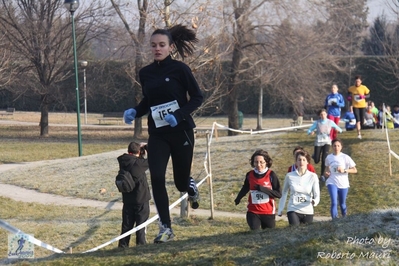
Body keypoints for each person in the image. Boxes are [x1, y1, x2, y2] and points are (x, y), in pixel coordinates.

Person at [123, 25, 203, 243]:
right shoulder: (145, 73)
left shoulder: (180, 69)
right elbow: (149, 101)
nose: (157, 49)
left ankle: (190, 186)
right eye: (153, 45)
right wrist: (136, 111)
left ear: (170, 47)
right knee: (157, 177)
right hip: (158, 134)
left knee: (180, 183)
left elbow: (197, 97)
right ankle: (165, 228)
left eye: (161, 45)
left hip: (181, 131)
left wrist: (178, 115)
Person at [234, 149, 282, 230]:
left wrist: (263, 189)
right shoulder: (249, 175)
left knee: (268, 234)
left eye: (261, 162)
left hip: (268, 212)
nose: (258, 165)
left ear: (266, 162)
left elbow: (279, 194)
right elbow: (245, 187)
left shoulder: (271, 175)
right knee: (255, 232)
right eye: (256, 162)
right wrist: (238, 198)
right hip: (253, 211)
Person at [117, 142, 151, 247]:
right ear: (138, 151)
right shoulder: (139, 164)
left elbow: (135, 159)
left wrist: (139, 151)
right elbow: (153, 159)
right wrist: (146, 147)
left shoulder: (123, 161)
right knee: (141, 226)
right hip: (141, 200)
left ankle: (123, 246)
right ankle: (140, 246)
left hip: (127, 200)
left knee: (126, 226)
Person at [278, 150, 320, 226]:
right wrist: (280, 209)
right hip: (293, 208)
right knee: (295, 230)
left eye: (304, 160)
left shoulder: (313, 176)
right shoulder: (289, 176)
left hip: (307, 210)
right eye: (299, 160)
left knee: (306, 234)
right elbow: (284, 192)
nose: (301, 162)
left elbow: (317, 194)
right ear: (296, 162)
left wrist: (315, 201)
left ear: (307, 162)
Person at [324, 139, 357, 219]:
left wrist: (344, 170)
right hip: (332, 182)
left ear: (341, 147)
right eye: (334, 146)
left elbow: (355, 170)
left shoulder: (345, 157)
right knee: (334, 202)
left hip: (343, 183)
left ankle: (344, 219)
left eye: (338, 146)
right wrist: (326, 173)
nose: (336, 147)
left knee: (342, 204)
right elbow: (327, 169)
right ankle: (334, 220)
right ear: (332, 147)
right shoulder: (329, 157)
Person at [307, 108, 343, 181]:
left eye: (324, 114)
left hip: (327, 142)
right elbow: (309, 130)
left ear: (326, 114)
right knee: (317, 160)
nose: (323, 116)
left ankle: (322, 176)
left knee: (324, 159)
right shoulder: (317, 122)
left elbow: (340, 129)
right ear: (320, 115)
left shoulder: (330, 122)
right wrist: (311, 132)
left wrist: (338, 130)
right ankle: (315, 156)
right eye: (321, 114)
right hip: (318, 142)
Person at [347, 75, 370, 139]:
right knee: (358, 120)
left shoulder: (364, 88)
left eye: (358, 81)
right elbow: (348, 93)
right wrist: (349, 97)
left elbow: (368, 95)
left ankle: (361, 127)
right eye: (356, 81)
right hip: (355, 106)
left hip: (362, 106)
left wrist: (364, 96)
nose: (357, 82)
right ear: (355, 81)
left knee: (362, 120)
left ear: (361, 82)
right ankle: (358, 134)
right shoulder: (351, 88)